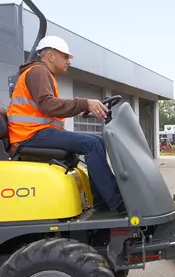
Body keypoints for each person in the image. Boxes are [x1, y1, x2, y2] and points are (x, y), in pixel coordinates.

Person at [7, 35, 124, 213]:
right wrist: (84, 103)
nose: (68, 61)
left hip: (38, 133)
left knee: (99, 140)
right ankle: (117, 202)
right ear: (51, 55)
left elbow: (49, 107)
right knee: (91, 144)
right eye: (65, 56)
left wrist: (84, 107)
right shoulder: (38, 72)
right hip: (30, 135)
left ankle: (103, 201)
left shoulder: (42, 73)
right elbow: (48, 104)